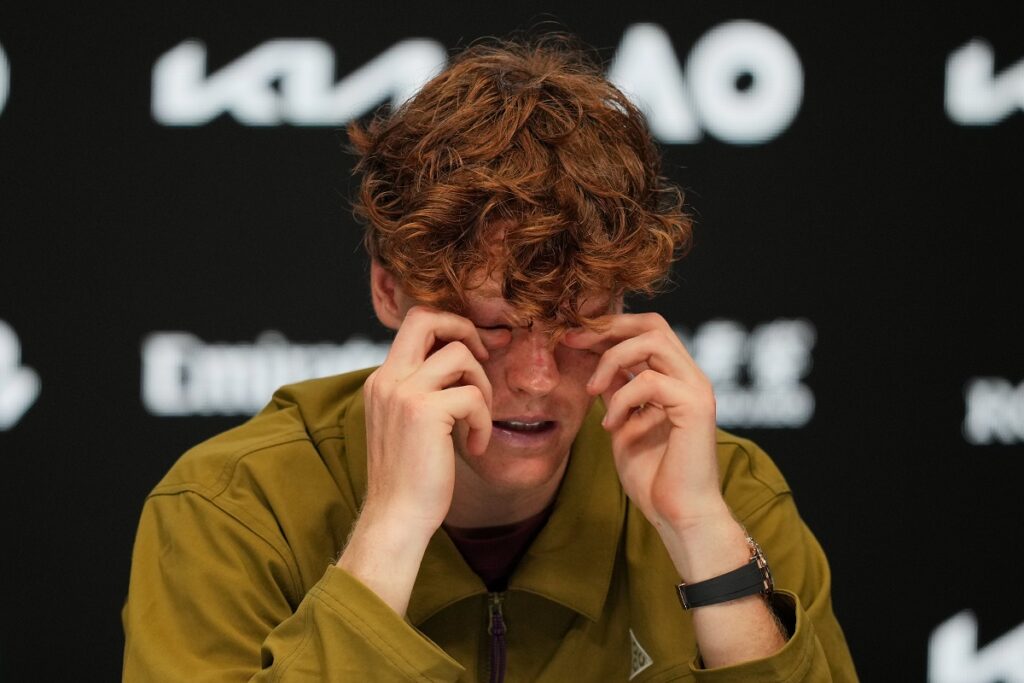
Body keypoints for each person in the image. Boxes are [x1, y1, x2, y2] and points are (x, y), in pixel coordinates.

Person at [122, 34, 858, 681]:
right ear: (389, 289)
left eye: (576, 320)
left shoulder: (724, 491)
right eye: (494, 327)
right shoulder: (231, 507)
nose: (537, 379)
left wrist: (701, 534)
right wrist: (391, 527)